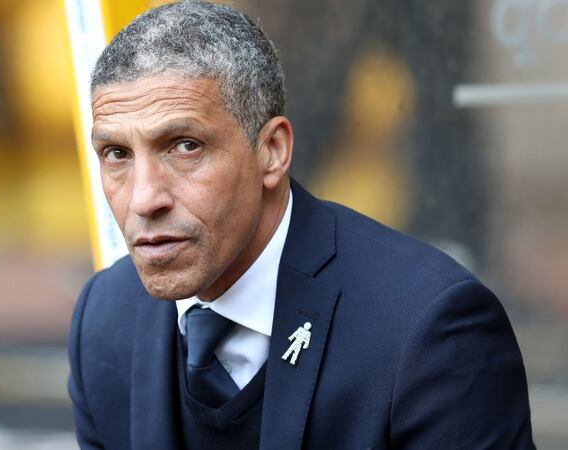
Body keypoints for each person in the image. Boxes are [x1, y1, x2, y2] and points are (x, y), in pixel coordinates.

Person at [68, 2, 535, 449]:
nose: (145, 198)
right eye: (116, 154)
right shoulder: (104, 318)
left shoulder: (428, 330)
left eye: (185, 146)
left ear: (272, 151)